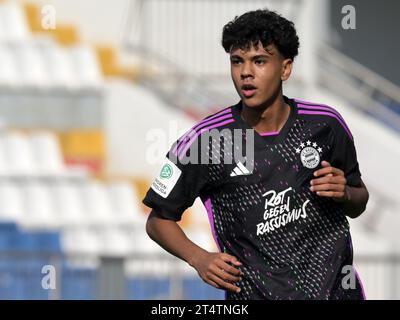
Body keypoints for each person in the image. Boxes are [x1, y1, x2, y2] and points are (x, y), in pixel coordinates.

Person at [143, 9, 369, 300]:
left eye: (259, 61)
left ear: (285, 68)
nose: (245, 72)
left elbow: (358, 200)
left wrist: (345, 193)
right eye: (237, 61)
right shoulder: (206, 141)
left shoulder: (325, 125)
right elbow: (158, 220)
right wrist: (199, 258)